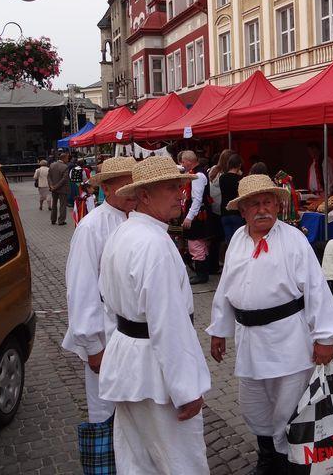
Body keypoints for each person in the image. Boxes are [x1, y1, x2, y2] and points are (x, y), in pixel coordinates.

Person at [207, 174, 333, 474]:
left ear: (278, 205)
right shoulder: (237, 240)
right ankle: (267, 457)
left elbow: (316, 288)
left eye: (268, 202)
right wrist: (219, 330)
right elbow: (226, 287)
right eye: (254, 204)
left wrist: (324, 337)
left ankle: (289, 462)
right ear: (242, 210)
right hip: (249, 341)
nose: (262, 209)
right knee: (255, 404)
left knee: (289, 406)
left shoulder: (293, 240)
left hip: (288, 341)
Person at [98, 156, 211, 474]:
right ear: (145, 195)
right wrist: (186, 389)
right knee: (181, 463)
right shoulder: (153, 244)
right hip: (155, 372)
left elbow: (108, 300)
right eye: (171, 188)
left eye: (180, 186)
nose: (180, 194)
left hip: (130, 363)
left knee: (137, 462)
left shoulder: (124, 233)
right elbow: (168, 324)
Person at [62, 157, 138, 441]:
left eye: (134, 184)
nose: (131, 191)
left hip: (135, 339)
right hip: (106, 337)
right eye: (125, 185)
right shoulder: (92, 227)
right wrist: (93, 346)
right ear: (107, 188)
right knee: (107, 413)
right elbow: (81, 288)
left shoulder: (138, 219)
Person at [179, 150, 215, 285]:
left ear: (189, 161)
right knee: (200, 244)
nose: (182, 164)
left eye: (183, 161)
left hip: (198, 216)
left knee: (195, 244)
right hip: (199, 214)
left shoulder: (198, 176)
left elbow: (197, 199)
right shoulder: (196, 173)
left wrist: (189, 217)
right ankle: (203, 272)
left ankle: (201, 275)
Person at [219, 153, 245, 243]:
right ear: (239, 165)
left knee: (229, 241)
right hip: (236, 212)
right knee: (238, 241)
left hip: (224, 211)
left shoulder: (222, 178)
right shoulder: (240, 179)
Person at [48, 152, 71, 225]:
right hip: (62, 189)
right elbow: (64, 179)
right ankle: (61, 220)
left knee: (54, 204)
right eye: (67, 158)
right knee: (62, 205)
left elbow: (49, 176)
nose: (68, 160)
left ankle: (53, 219)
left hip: (53, 189)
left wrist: (51, 186)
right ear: (64, 158)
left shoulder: (52, 165)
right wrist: (56, 186)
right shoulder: (65, 167)